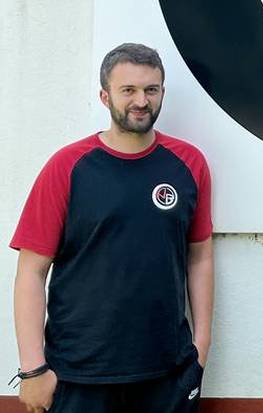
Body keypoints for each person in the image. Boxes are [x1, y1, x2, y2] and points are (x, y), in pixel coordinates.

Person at [10, 43, 213, 413]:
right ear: (105, 96)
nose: (141, 101)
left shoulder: (188, 164)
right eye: (128, 90)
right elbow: (31, 271)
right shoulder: (67, 167)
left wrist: (200, 350)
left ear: (162, 93)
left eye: (151, 90)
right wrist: (33, 369)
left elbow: (199, 258)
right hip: (78, 375)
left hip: (167, 372)